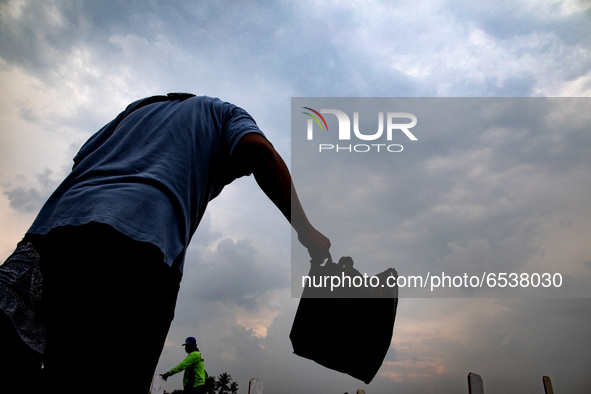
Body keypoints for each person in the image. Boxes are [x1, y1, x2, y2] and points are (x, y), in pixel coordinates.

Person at [0, 93, 330, 393]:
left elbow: (81, 160)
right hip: (135, 252)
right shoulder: (226, 112)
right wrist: (306, 232)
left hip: (45, 239)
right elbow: (259, 152)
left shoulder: (136, 110)